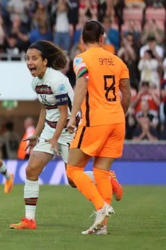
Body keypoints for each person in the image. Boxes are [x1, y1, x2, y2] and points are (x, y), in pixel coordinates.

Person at [66, 20, 131, 235]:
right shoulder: (118, 61)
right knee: (101, 173)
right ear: (102, 38)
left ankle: (101, 207)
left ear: (82, 39)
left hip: (95, 120)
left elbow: (82, 84)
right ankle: (103, 228)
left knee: (73, 169)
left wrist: (73, 116)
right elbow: (127, 93)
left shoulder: (81, 59)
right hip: (117, 120)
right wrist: (120, 115)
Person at [9, 41, 76, 230]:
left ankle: (104, 177)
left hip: (69, 130)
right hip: (50, 130)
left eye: (34, 58)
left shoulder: (58, 80)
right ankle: (29, 220)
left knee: (73, 180)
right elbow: (45, 109)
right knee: (31, 170)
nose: (29, 62)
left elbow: (64, 114)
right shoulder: (36, 82)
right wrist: (36, 134)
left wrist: (55, 138)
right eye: (27, 58)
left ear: (45, 61)